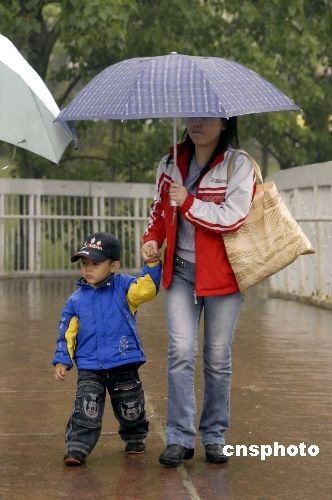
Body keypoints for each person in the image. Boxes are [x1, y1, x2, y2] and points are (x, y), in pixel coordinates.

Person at [141, 117, 256, 467]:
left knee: (218, 359)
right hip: (180, 275)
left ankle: (215, 436)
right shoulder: (170, 162)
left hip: (224, 277)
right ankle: (179, 437)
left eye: (206, 117)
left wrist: (188, 202)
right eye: (191, 116)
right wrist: (152, 239)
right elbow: (159, 211)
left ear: (224, 123)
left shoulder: (239, 165)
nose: (196, 123)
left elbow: (232, 218)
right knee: (180, 351)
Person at [53, 231, 162, 466]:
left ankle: (134, 438)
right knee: (86, 407)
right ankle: (77, 447)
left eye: (95, 263)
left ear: (114, 265)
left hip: (123, 361)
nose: (88, 269)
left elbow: (148, 289)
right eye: (84, 263)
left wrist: (151, 263)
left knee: (130, 404)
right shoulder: (76, 300)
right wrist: (63, 359)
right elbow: (67, 333)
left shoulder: (124, 287)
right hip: (90, 365)